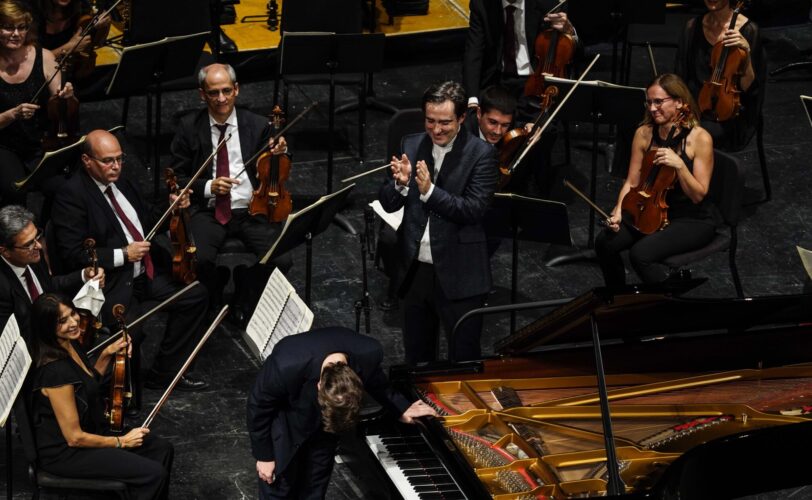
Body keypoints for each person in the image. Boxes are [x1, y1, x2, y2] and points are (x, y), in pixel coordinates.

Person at [51, 129, 211, 392]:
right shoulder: (71, 196)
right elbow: (73, 255)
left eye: (119, 159)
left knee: (195, 295)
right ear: (86, 161)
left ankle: (165, 372)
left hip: (145, 271)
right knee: (130, 335)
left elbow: (145, 221)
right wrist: (123, 254)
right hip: (114, 281)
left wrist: (170, 208)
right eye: (108, 161)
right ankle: (126, 397)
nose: (116, 166)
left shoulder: (122, 181)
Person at [378, 81, 497, 364]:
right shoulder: (411, 143)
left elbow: (472, 210)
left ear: (461, 118)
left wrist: (429, 192)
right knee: (417, 357)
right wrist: (401, 185)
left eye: (445, 122)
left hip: (460, 272)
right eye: (430, 121)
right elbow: (387, 202)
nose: (436, 129)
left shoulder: (482, 154)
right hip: (416, 270)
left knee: (463, 357)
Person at [246, 326, 436, 499]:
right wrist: (264, 456)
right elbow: (258, 406)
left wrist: (401, 406)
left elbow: (377, 380)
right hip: (288, 420)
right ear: (319, 385)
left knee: (315, 485)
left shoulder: (369, 353)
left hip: (325, 431)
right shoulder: (285, 364)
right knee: (279, 486)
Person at [169, 63, 290, 322]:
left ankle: (246, 287)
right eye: (214, 93)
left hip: (252, 207)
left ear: (237, 89)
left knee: (282, 258)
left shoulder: (258, 125)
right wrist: (207, 186)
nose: (221, 98)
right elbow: (175, 177)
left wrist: (281, 152)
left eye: (226, 90)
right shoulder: (189, 127)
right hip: (210, 210)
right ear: (202, 94)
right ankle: (215, 286)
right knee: (198, 259)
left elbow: (276, 163)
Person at [30, 293, 174, 500]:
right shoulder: (55, 372)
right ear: (47, 327)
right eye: (62, 321)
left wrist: (107, 353)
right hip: (65, 453)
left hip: (89, 429)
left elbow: (87, 385)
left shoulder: (69, 345)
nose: (73, 323)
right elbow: (74, 438)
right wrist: (121, 441)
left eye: (72, 314)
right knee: (153, 475)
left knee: (162, 448)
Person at [595, 73, 717, 287]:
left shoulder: (700, 138)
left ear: (679, 102)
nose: (652, 108)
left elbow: (699, 195)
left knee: (640, 254)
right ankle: (618, 298)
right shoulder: (644, 133)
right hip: (650, 210)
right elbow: (632, 182)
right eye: (649, 102)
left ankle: (667, 303)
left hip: (691, 218)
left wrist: (679, 165)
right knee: (605, 242)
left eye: (659, 102)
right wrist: (618, 211)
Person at [0, 0, 75, 206]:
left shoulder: (45, 57)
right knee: (14, 190)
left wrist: (66, 96)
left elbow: (61, 104)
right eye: (8, 27)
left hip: (41, 142)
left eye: (21, 27)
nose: (16, 33)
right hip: (4, 144)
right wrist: (13, 114)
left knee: (64, 188)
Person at [0, 204, 103, 343]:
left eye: (37, 237)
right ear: (5, 251)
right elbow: (15, 338)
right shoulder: (3, 287)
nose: (39, 246)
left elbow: (48, 285)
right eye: (28, 244)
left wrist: (83, 276)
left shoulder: (34, 254)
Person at [675, 0, 764, 151]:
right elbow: (680, 74)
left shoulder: (749, 30)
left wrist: (746, 55)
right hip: (695, 106)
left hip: (730, 112)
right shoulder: (692, 27)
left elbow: (751, 90)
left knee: (702, 133)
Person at [463, 0, 577, 110]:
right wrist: (472, 99)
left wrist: (569, 31)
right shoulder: (482, 4)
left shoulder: (547, 3)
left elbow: (578, 51)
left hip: (536, 85)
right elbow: (473, 51)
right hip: (497, 83)